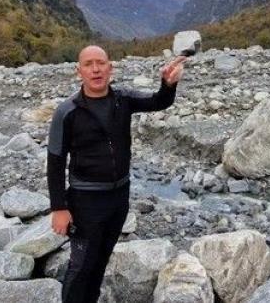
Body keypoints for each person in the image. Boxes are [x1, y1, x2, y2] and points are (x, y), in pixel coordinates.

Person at [47, 45, 186, 303]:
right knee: (80, 268)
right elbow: (55, 161)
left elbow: (159, 102)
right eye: (88, 64)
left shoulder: (123, 99)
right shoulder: (67, 112)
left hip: (119, 197)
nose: (96, 69)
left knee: (100, 262)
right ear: (79, 71)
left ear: (110, 68)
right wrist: (59, 207)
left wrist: (168, 85)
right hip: (85, 201)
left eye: (101, 63)